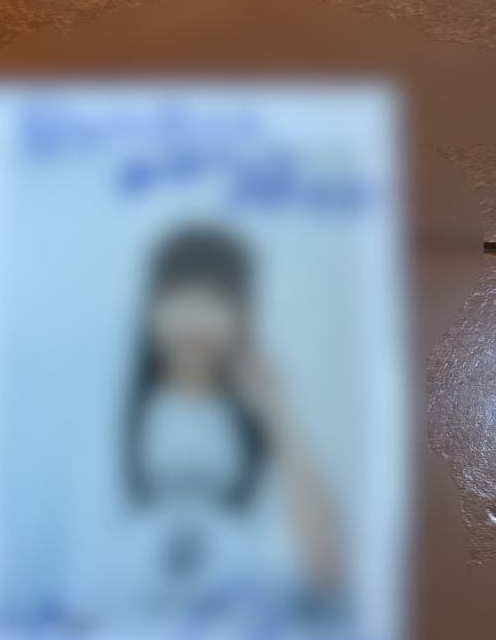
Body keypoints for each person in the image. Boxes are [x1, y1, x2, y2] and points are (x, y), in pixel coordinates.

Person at [123, 224, 342, 607]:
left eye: (214, 298)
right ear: (151, 306)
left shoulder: (260, 421)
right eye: (178, 294)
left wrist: (277, 416)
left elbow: (325, 570)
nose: (193, 316)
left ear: (243, 314)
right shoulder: (115, 426)